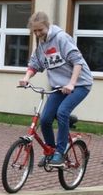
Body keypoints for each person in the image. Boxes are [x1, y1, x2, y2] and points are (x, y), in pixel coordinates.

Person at [19, 12, 93, 166]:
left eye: (41, 30)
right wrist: (26, 78)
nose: (38, 34)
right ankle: (51, 151)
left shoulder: (61, 38)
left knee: (62, 112)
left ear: (47, 26)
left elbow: (78, 61)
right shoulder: (40, 45)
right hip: (59, 87)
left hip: (80, 84)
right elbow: (34, 64)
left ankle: (60, 152)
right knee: (45, 119)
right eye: (35, 31)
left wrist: (72, 84)